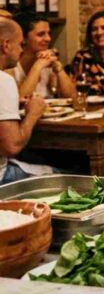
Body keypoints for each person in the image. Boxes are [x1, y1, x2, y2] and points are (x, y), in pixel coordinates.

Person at [0, 17, 52, 184]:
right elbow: (12, 146)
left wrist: (13, 105)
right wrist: (33, 114)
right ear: (6, 45)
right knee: (74, 176)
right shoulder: (3, 81)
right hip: (2, 177)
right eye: (20, 44)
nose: (22, 51)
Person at [10, 13, 74, 99]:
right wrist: (38, 66)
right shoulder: (10, 67)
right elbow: (20, 101)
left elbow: (73, 98)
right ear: (23, 38)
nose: (48, 39)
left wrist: (58, 67)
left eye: (49, 33)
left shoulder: (47, 63)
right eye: (41, 34)